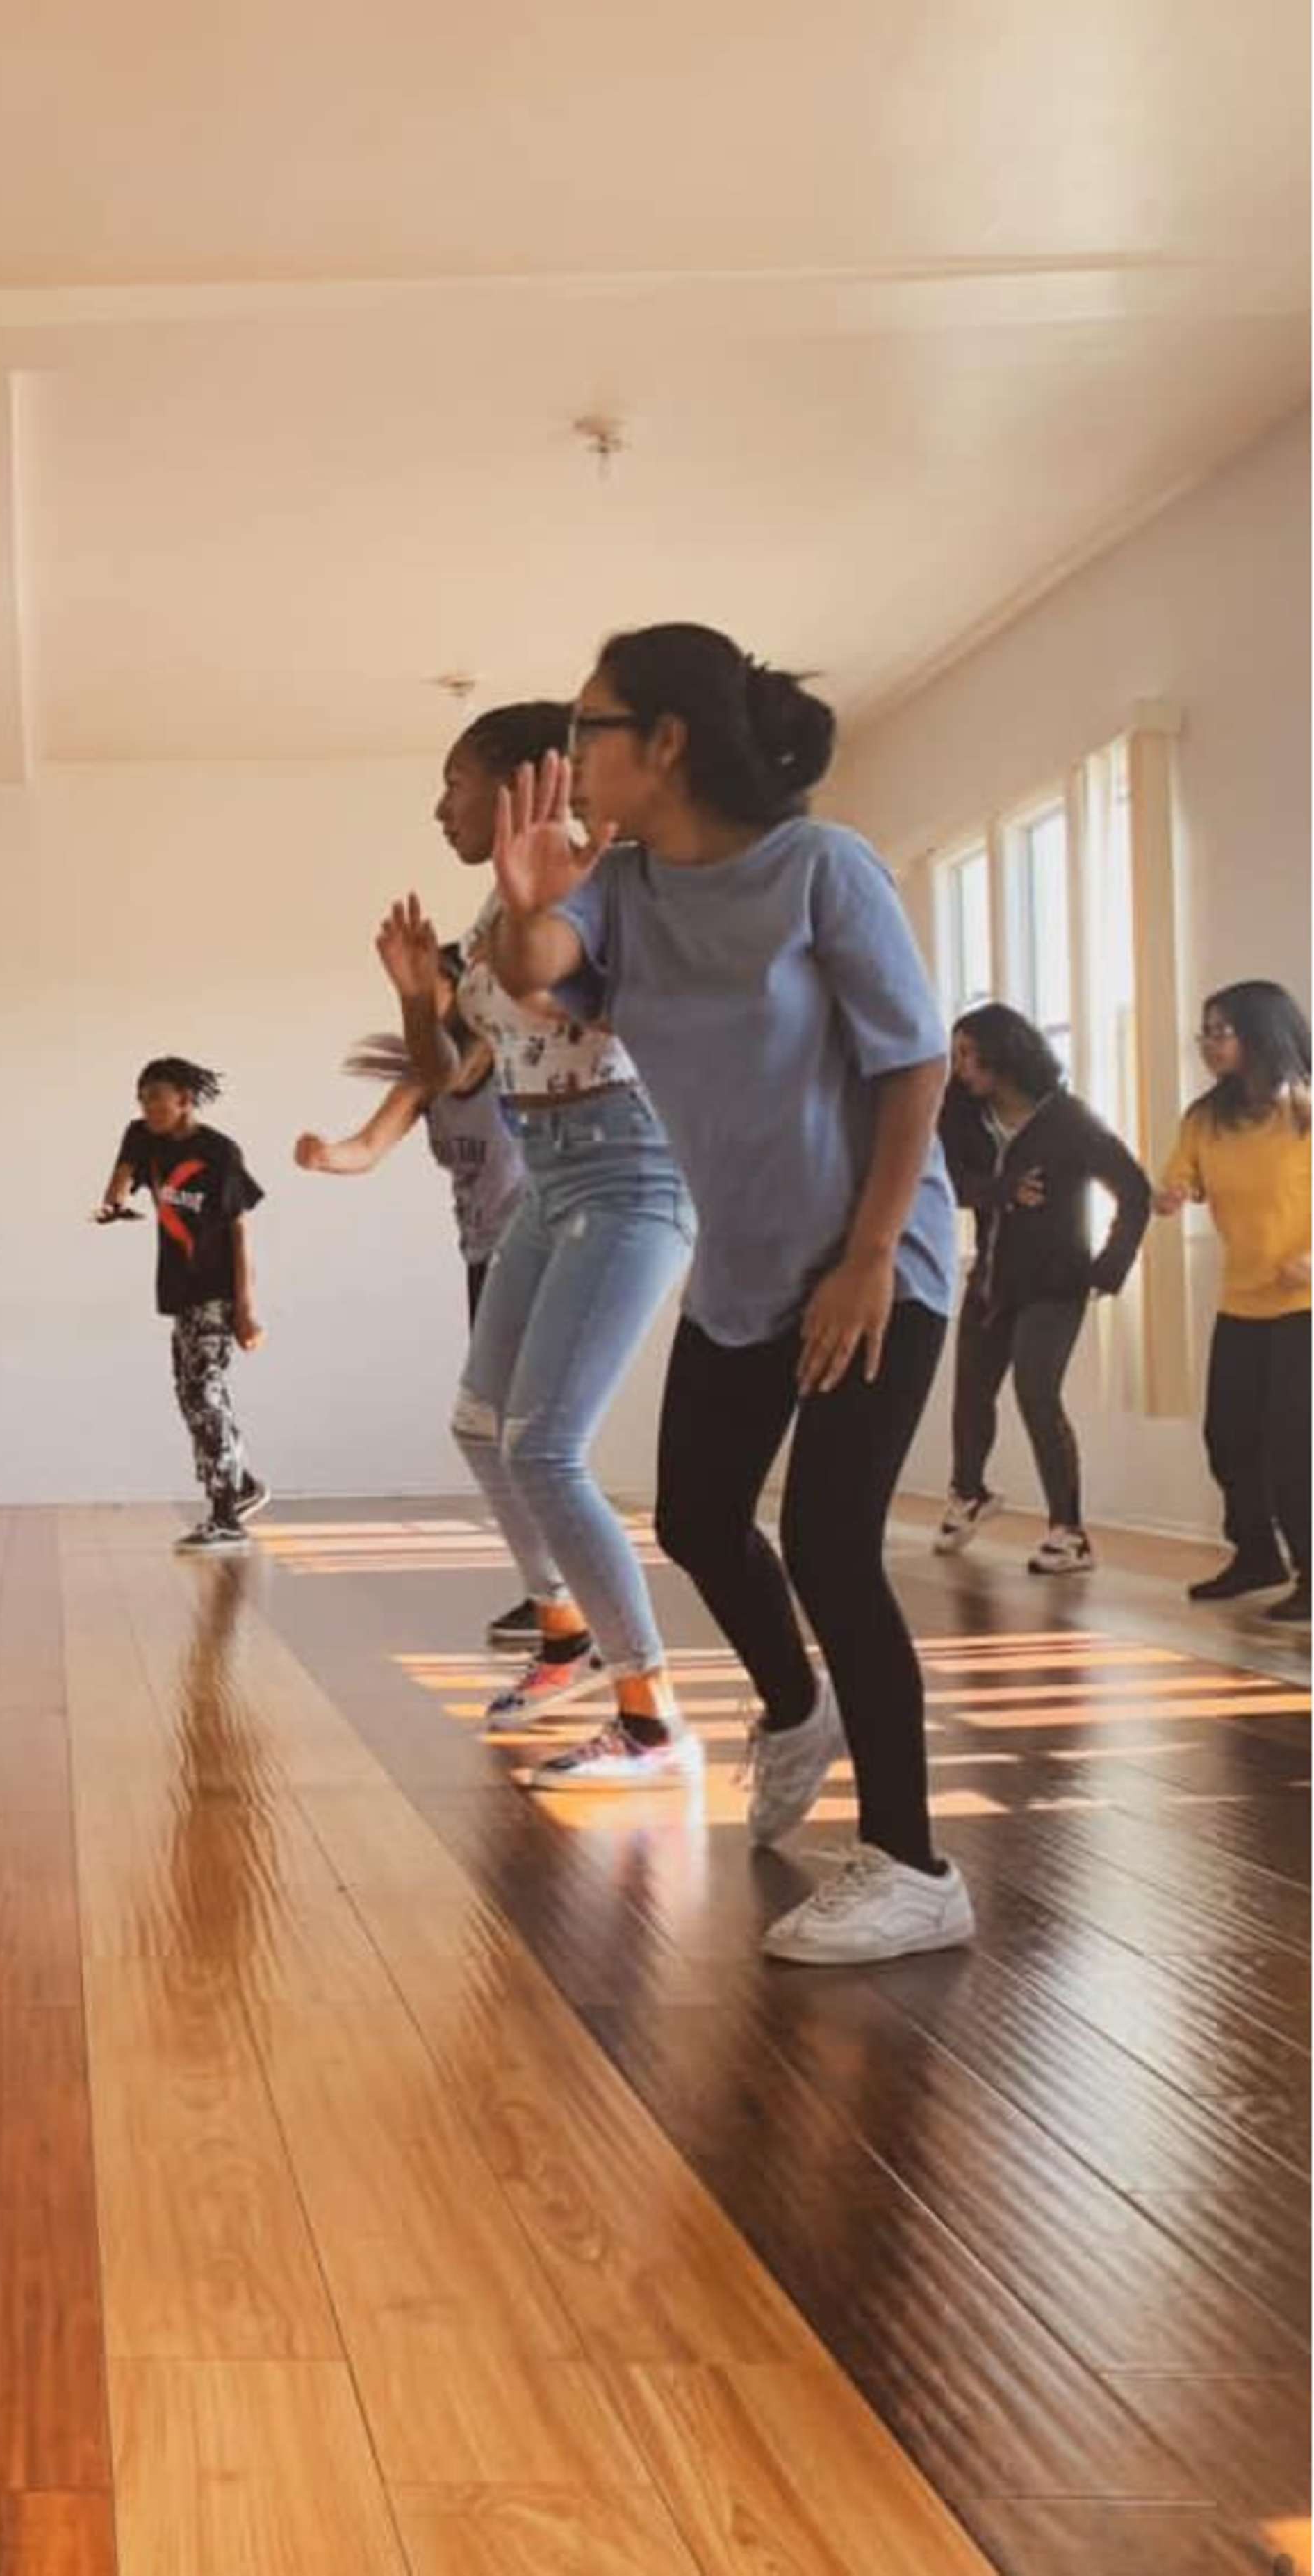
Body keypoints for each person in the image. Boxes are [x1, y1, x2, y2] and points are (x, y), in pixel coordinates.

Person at [488, 624, 969, 1964]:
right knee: (698, 1516)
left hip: (877, 1262)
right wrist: (530, 897)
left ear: (668, 742)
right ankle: (794, 1707)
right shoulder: (624, 887)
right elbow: (536, 979)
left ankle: (915, 1865)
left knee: (828, 1543)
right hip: (745, 1268)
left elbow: (915, 1068)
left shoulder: (824, 868)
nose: (572, 752)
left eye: (591, 726)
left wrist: (873, 1257)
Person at [381, 703, 700, 1778]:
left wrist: (532, 911)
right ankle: (564, 1634)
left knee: (546, 1446)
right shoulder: (493, 910)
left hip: (630, 1169)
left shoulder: (590, 878)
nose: (440, 807)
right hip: (549, 1176)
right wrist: (415, 995)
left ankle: (652, 1713)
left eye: (455, 782)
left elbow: (550, 987)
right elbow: (444, 1072)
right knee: (483, 1425)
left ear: (526, 784)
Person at [298, 959, 537, 1647]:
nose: (413, 1010)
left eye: (424, 991)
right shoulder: (422, 1083)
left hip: (537, 1253)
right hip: (482, 1258)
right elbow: (367, 1147)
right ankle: (547, 1593)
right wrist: (324, 1155)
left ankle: (563, 1601)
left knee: (525, 1433)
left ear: (464, 992)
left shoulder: (514, 1051)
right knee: (494, 1430)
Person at [934, 1006, 1151, 1573]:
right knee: (970, 1393)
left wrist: (1110, 1266)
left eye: (968, 1054)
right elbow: (944, 1182)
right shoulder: (960, 1116)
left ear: (1004, 1055)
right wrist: (998, 1189)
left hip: (1055, 1285)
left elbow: (1135, 1190)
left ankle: (1070, 1534)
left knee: (1036, 1392)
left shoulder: (1071, 1122)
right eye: (954, 1054)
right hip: (991, 1282)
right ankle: (970, 1493)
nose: (958, 1067)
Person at [1159, 979, 1311, 1622]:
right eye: (1206, 1032)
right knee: (1229, 1436)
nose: (1209, 1043)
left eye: (1220, 1031)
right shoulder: (1204, 1117)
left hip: (1305, 1304)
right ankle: (1256, 1556)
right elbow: (1183, 1176)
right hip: (1241, 1302)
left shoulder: (1305, 1111)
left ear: (1261, 1032)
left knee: (1292, 1446)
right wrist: (1170, 1195)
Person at [95, 1057, 268, 1553]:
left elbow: (240, 1230)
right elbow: (122, 1179)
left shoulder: (219, 1154)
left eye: (157, 1098)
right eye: (142, 1097)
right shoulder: (143, 1136)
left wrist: (245, 1307)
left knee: (206, 1392)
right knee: (191, 1394)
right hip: (178, 1290)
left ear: (185, 1100)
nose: (148, 1107)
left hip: (216, 1292)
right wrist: (115, 1201)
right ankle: (242, 1484)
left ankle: (225, 1515)